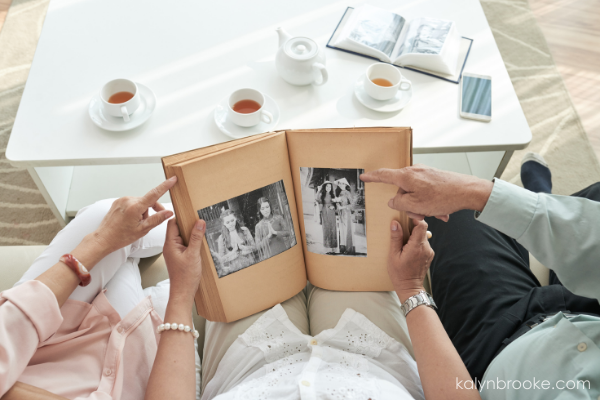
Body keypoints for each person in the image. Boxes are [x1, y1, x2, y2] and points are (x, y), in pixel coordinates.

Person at [361, 155, 600, 399]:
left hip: (494, 350)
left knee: (454, 215)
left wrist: (410, 288)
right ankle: (544, 198)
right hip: (587, 310)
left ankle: (544, 199)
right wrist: (474, 192)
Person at [0, 177, 204, 400]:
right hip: (133, 379)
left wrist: (102, 240)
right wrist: (182, 293)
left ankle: (203, 207)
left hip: (39, 348)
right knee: (199, 257)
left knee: (111, 214)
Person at [214, 209, 256, 277]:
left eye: (232, 220)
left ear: (235, 219)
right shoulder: (222, 238)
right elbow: (221, 259)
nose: (231, 224)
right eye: (227, 222)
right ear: (224, 224)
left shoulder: (244, 230)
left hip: (250, 263)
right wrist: (232, 253)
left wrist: (245, 248)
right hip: (235, 268)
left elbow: (255, 247)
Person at [315, 182, 338, 253]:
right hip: (325, 212)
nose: (328, 188)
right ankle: (327, 247)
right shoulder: (322, 194)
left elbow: (336, 204)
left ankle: (333, 246)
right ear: (325, 187)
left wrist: (334, 206)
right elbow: (317, 200)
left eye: (330, 187)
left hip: (332, 212)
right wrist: (318, 191)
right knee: (326, 228)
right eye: (327, 186)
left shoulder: (333, 195)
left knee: (333, 228)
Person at [333, 180, 355, 254]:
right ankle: (342, 248)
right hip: (341, 213)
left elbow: (352, 205)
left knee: (346, 230)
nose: (341, 185)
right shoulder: (339, 193)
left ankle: (348, 249)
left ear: (345, 184)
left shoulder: (348, 193)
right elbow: (338, 203)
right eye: (340, 184)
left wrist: (343, 207)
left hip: (346, 213)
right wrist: (337, 205)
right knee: (341, 230)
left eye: (342, 184)